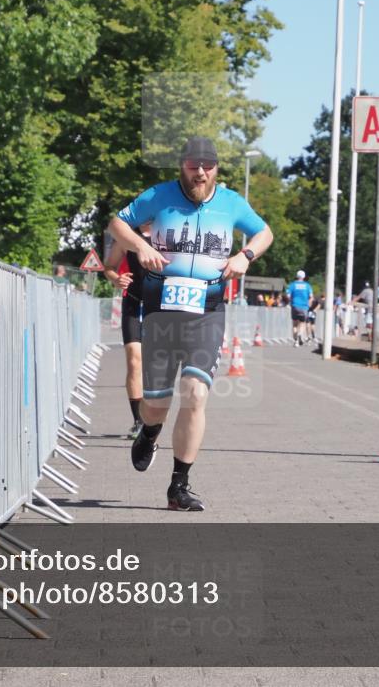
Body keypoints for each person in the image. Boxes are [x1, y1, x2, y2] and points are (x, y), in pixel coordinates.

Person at [107, 136, 273, 511]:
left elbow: (265, 233)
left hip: (208, 309)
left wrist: (245, 255)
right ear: (181, 164)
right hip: (161, 310)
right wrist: (140, 246)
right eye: (193, 165)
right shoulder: (158, 195)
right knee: (157, 405)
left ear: (216, 168)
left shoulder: (231, 202)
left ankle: (178, 486)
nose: (200, 173)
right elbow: (117, 224)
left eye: (208, 166)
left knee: (196, 393)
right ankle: (149, 432)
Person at [103, 226, 150, 440]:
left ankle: (153, 416)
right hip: (133, 303)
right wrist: (116, 279)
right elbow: (109, 267)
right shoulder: (126, 237)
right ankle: (138, 420)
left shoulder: (169, 232)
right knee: (134, 361)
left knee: (155, 365)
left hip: (160, 306)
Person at [287, 270, 313, 345]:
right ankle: (300, 334)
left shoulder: (292, 285)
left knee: (294, 324)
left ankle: (296, 340)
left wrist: (291, 302)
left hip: (295, 306)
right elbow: (311, 297)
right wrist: (309, 305)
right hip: (304, 307)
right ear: (304, 277)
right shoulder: (307, 285)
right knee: (303, 322)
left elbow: (288, 296)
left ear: (297, 276)